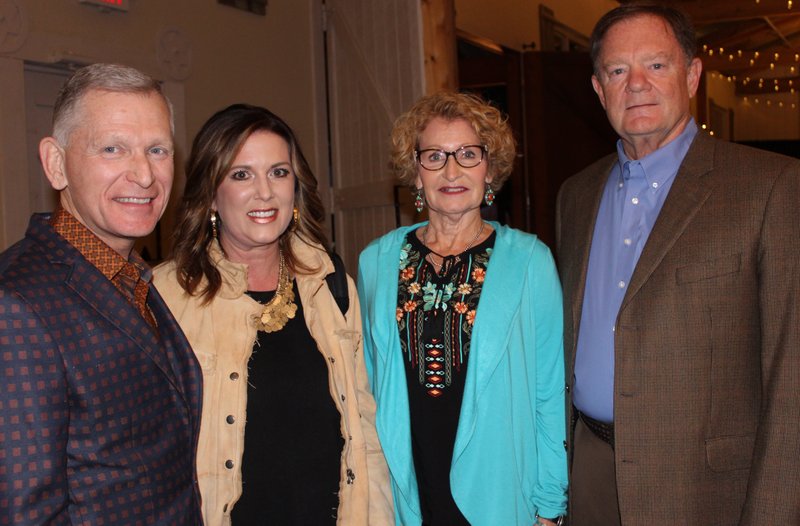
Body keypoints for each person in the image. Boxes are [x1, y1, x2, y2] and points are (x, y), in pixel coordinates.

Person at [556, 3, 800, 524]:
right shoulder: (574, 196)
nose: (636, 84)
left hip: (704, 488)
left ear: (692, 74)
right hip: (590, 474)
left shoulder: (770, 188)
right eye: (617, 71)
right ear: (599, 90)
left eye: (657, 65)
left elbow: (792, 373)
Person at [152, 103, 393, 525]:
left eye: (278, 172)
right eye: (241, 174)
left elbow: (364, 433)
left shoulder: (331, 284)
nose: (264, 192)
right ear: (211, 192)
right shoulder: (166, 296)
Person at [0, 63, 202, 524]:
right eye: (112, 148)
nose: (145, 175)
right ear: (56, 163)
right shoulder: (15, 306)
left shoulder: (132, 277)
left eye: (158, 150)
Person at [358, 92, 568, 526]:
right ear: (415, 173)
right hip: (406, 491)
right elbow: (367, 389)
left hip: (499, 490)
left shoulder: (530, 261)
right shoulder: (374, 262)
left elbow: (549, 392)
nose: (451, 171)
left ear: (489, 168)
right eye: (434, 156)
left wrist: (550, 503)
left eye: (468, 154)